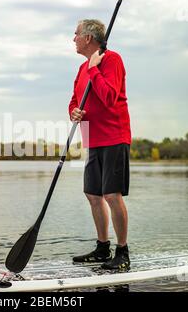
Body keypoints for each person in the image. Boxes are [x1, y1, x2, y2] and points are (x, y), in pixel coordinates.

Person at [68, 19, 131, 270]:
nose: (73, 39)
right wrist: (73, 112)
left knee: (111, 195)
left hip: (115, 136)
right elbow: (74, 100)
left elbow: (109, 97)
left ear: (88, 38)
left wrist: (95, 69)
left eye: (76, 34)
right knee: (93, 194)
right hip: (93, 138)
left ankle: (122, 252)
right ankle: (103, 248)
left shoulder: (112, 59)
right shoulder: (82, 69)